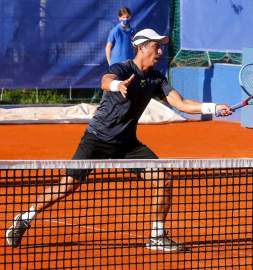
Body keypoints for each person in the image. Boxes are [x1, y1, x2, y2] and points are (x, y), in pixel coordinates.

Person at [6, 29, 232, 252]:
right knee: (67, 186)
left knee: (162, 177)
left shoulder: (156, 78)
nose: (160, 52)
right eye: (156, 46)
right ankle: (24, 218)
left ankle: (156, 236)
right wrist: (118, 85)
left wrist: (213, 107)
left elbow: (181, 104)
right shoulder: (123, 68)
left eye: (161, 47)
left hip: (127, 144)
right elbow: (106, 80)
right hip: (97, 138)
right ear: (142, 47)